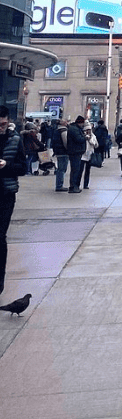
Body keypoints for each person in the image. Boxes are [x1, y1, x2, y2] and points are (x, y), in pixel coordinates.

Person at [0, 105, 26, 298]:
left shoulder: (15, 139)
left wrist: (6, 165)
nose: (1, 127)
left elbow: (23, 168)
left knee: (0, 237)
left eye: (3, 124)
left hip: (6, 194)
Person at [65, 115, 87, 192]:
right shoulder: (74, 129)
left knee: (75, 170)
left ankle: (73, 186)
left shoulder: (75, 128)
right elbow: (79, 139)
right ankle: (73, 187)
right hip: (75, 152)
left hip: (76, 151)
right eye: (82, 123)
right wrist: (85, 137)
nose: (83, 125)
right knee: (75, 170)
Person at [77, 121, 99, 189]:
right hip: (83, 155)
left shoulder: (93, 136)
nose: (88, 131)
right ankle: (77, 184)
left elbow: (96, 145)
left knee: (87, 171)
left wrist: (93, 143)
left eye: (89, 130)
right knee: (80, 171)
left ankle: (86, 184)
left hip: (90, 155)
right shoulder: (82, 136)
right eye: (87, 130)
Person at [51, 120, 69, 192]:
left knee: (60, 169)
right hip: (63, 152)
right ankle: (59, 185)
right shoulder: (63, 130)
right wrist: (68, 149)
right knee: (62, 169)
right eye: (65, 122)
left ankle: (59, 185)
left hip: (58, 151)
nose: (67, 122)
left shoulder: (56, 130)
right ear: (62, 123)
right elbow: (65, 142)